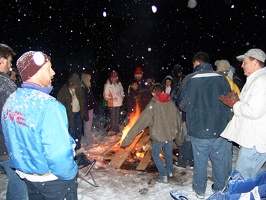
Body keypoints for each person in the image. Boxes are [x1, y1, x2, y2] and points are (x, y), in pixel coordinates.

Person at [1, 51, 78, 199]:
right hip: (53, 181)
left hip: (28, 178)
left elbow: (10, 139)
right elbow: (59, 153)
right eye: (49, 68)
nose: (53, 72)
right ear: (36, 72)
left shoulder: (12, 100)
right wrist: (70, 172)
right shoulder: (48, 106)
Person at [177, 52, 231, 199]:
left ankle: (200, 190)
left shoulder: (189, 79)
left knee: (200, 161)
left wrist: (195, 109)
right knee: (218, 160)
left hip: (198, 128)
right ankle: (219, 188)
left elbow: (181, 104)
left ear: (196, 63)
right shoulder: (221, 78)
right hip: (218, 128)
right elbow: (229, 103)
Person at [121, 83, 183, 184]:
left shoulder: (153, 105)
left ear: (153, 93)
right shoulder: (171, 103)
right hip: (169, 136)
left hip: (158, 137)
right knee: (168, 154)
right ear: (163, 92)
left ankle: (163, 175)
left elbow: (140, 123)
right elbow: (178, 121)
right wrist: (180, 139)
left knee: (155, 155)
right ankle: (170, 172)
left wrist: (126, 141)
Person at [219, 48, 266, 179]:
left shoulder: (261, 81)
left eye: (245, 62)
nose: (242, 65)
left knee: (242, 180)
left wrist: (235, 104)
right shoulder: (254, 80)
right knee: (247, 180)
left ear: (255, 62)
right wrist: (237, 100)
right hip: (251, 140)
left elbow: (254, 110)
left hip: (255, 142)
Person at [0, 44, 28, 200]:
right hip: (7, 147)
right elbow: (14, 118)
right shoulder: (5, 85)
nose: (10, 65)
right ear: (1, 60)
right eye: (9, 61)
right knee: (19, 187)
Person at [57, 73, 85, 151]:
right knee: (72, 131)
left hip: (78, 113)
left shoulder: (78, 89)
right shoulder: (64, 90)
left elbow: (82, 101)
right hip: (70, 115)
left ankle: (78, 145)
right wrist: (66, 113)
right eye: (75, 84)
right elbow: (60, 103)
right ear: (72, 83)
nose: (77, 86)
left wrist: (82, 113)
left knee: (78, 129)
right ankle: (73, 147)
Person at [103, 70, 125, 135]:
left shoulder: (119, 84)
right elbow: (105, 95)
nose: (114, 79)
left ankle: (117, 129)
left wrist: (122, 98)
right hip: (112, 104)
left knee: (117, 116)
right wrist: (111, 100)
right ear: (110, 78)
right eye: (113, 78)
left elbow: (122, 92)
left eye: (115, 78)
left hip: (118, 103)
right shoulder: (107, 85)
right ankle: (113, 129)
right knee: (113, 117)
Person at [81, 71, 98, 148]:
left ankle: (90, 139)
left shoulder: (87, 87)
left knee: (89, 125)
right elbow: (83, 101)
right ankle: (89, 142)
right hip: (86, 109)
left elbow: (91, 98)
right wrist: (85, 110)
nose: (90, 79)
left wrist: (94, 106)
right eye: (89, 78)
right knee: (87, 125)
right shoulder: (82, 88)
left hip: (90, 108)